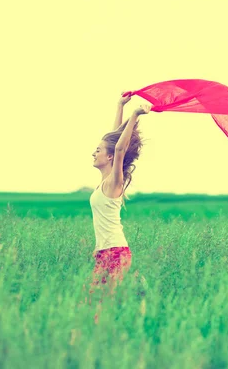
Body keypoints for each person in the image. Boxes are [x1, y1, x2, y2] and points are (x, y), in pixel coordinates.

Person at [88, 91, 150, 304]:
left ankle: (137, 295)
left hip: (115, 253)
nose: (93, 154)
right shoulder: (104, 182)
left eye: (97, 151)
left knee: (100, 303)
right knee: (96, 301)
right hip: (105, 253)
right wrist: (119, 106)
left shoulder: (114, 182)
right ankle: (135, 290)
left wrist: (134, 115)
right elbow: (115, 140)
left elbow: (120, 147)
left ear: (110, 157)